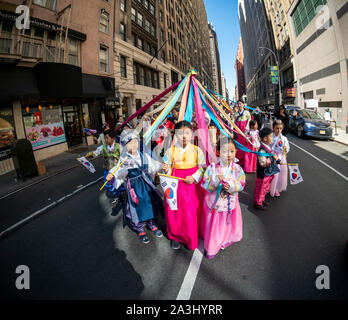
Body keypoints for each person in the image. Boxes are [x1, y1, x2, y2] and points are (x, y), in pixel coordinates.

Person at [106, 130, 164, 244]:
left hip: (146, 184)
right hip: (134, 187)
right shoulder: (125, 159)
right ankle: (140, 228)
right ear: (125, 146)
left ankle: (152, 223)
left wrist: (161, 166)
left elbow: (153, 165)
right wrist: (112, 176)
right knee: (137, 206)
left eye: (135, 142)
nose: (133, 145)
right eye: (130, 143)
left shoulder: (144, 155)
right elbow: (118, 171)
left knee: (150, 202)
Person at [162, 120, 206, 250]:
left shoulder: (198, 151)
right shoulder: (170, 152)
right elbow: (167, 170)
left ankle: (191, 236)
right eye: (180, 133)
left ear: (192, 134)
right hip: (175, 187)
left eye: (187, 132)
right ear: (175, 134)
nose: (184, 136)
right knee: (174, 211)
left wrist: (194, 177)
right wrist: (166, 169)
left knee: (190, 212)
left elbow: (203, 168)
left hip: (191, 186)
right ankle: (175, 236)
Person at [201, 139, 246, 259]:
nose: (229, 154)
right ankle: (213, 244)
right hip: (215, 204)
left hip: (229, 203)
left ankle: (225, 239)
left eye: (232, 151)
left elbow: (241, 183)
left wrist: (231, 186)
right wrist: (216, 181)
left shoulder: (237, 169)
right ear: (219, 152)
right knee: (215, 225)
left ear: (236, 151)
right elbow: (205, 184)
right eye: (225, 151)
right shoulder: (212, 168)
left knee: (226, 223)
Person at [86, 129, 121, 199]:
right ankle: (114, 194)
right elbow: (96, 152)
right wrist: (89, 154)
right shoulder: (103, 147)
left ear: (113, 138)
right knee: (108, 183)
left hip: (116, 170)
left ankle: (119, 194)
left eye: (107, 138)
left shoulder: (119, 147)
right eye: (105, 138)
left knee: (117, 182)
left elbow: (123, 157)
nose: (105, 139)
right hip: (107, 169)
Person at [253, 127, 281, 210]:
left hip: (267, 173)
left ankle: (262, 199)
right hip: (263, 173)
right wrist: (271, 160)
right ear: (265, 138)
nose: (272, 138)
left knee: (265, 187)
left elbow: (271, 156)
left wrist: (275, 158)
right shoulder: (262, 150)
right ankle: (258, 202)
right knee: (261, 188)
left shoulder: (267, 148)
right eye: (271, 136)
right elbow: (262, 162)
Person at [269, 120, 290, 198]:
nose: (279, 130)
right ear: (273, 128)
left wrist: (285, 149)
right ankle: (269, 187)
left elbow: (287, 149)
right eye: (277, 128)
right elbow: (268, 146)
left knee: (280, 173)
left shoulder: (284, 138)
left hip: (281, 157)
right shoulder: (271, 137)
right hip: (273, 156)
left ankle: (277, 188)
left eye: (280, 128)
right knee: (273, 173)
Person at [233, 99, 251, 167]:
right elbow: (234, 122)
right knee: (238, 146)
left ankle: (245, 162)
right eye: (238, 104)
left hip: (244, 131)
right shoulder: (235, 113)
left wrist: (247, 128)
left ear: (243, 104)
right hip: (238, 132)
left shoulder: (246, 113)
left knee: (245, 145)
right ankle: (239, 161)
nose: (239, 105)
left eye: (240, 104)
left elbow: (249, 120)